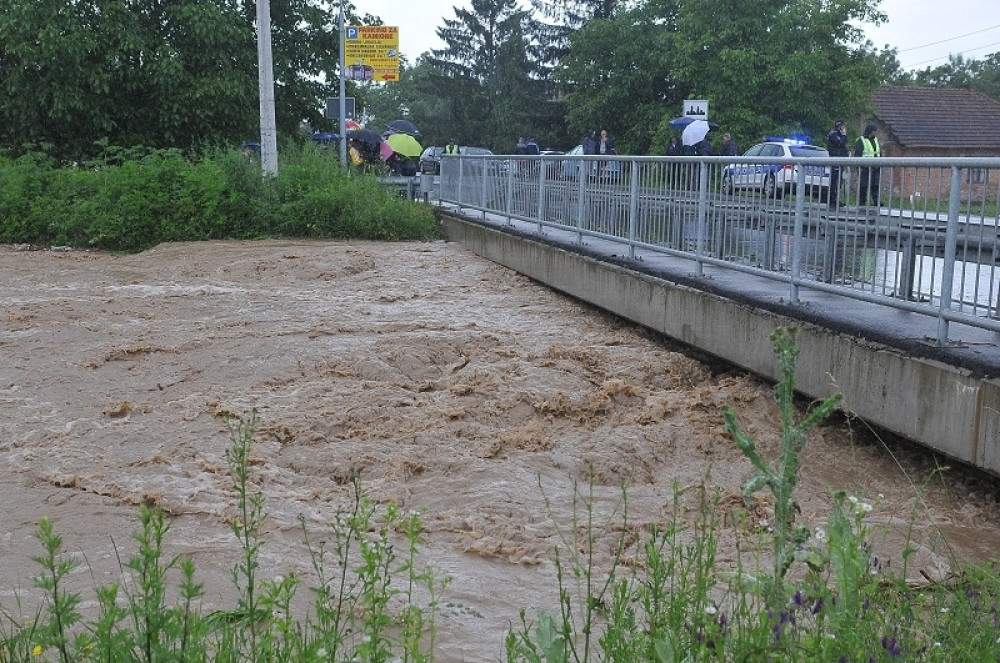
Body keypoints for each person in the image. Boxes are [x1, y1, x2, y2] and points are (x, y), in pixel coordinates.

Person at [854, 123, 881, 207]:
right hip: (865, 167)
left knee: (875, 185)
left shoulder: (875, 140)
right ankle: (862, 202)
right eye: (874, 131)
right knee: (864, 185)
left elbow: (878, 152)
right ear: (870, 131)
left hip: (876, 166)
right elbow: (857, 154)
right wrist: (861, 165)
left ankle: (876, 201)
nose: (875, 133)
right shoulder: (861, 140)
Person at [826, 120, 849, 209]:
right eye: (842, 126)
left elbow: (844, 144)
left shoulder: (839, 135)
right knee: (835, 182)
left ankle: (835, 199)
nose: (844, 128)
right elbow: (840, 143)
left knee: (838, 182)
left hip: (839, 161)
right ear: (839, 127)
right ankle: (833, 200)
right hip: (835, 161)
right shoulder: (833, 135)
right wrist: (844, 135)